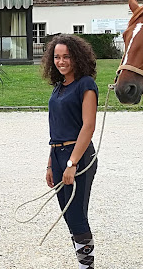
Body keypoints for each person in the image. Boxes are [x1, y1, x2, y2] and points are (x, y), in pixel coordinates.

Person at [41, 34, 98, 269]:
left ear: (77, 58)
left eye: (66, 57)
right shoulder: (59, 87)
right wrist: (50, 164)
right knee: (68, 216)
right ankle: (84, 264)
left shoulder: (85, 84)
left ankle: (87, 267)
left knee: (76, 216)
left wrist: (72, 163)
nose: (61, 61)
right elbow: (57, 128)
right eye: (57, 57)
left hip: (78, 156)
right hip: (57, 155)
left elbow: (89, 126)